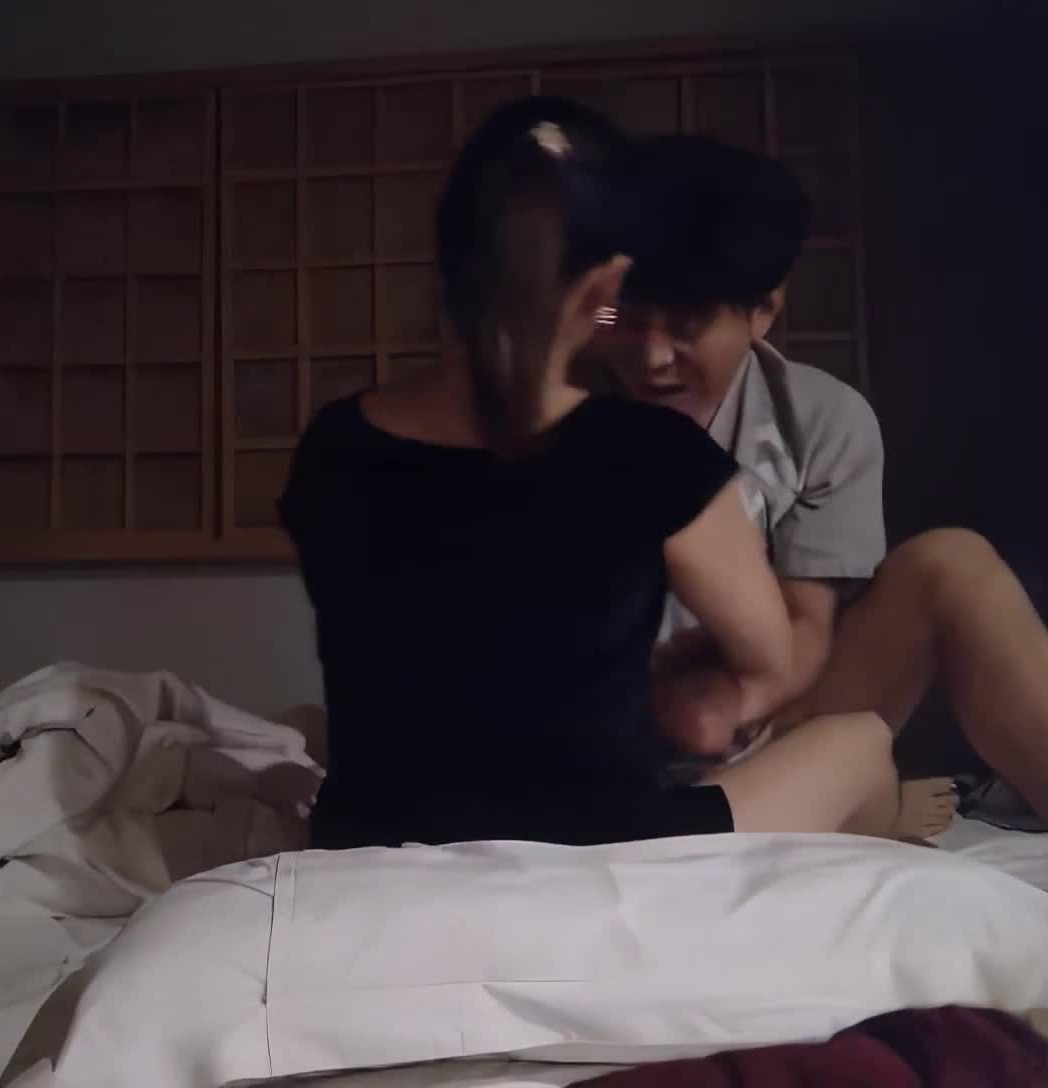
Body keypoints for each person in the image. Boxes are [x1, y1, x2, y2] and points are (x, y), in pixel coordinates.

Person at [587, 132, 1048, 963]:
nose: (649, 356)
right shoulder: (560, 416)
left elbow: (806, 631)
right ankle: (862, 810)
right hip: (613, 754)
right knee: (850, 773)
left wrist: (734, 694)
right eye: (623, 319)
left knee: (950, 564)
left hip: (762, 720)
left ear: (763, 311)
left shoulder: (817, 422)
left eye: (687, 327)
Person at [281, 98, 904, 851]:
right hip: (603, 849)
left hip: (368, 840)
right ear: (605, 290)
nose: (649, 353)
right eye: (625, 316)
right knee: (862, 744)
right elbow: (769, 657)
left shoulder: (333, 444)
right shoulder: (655, 453)